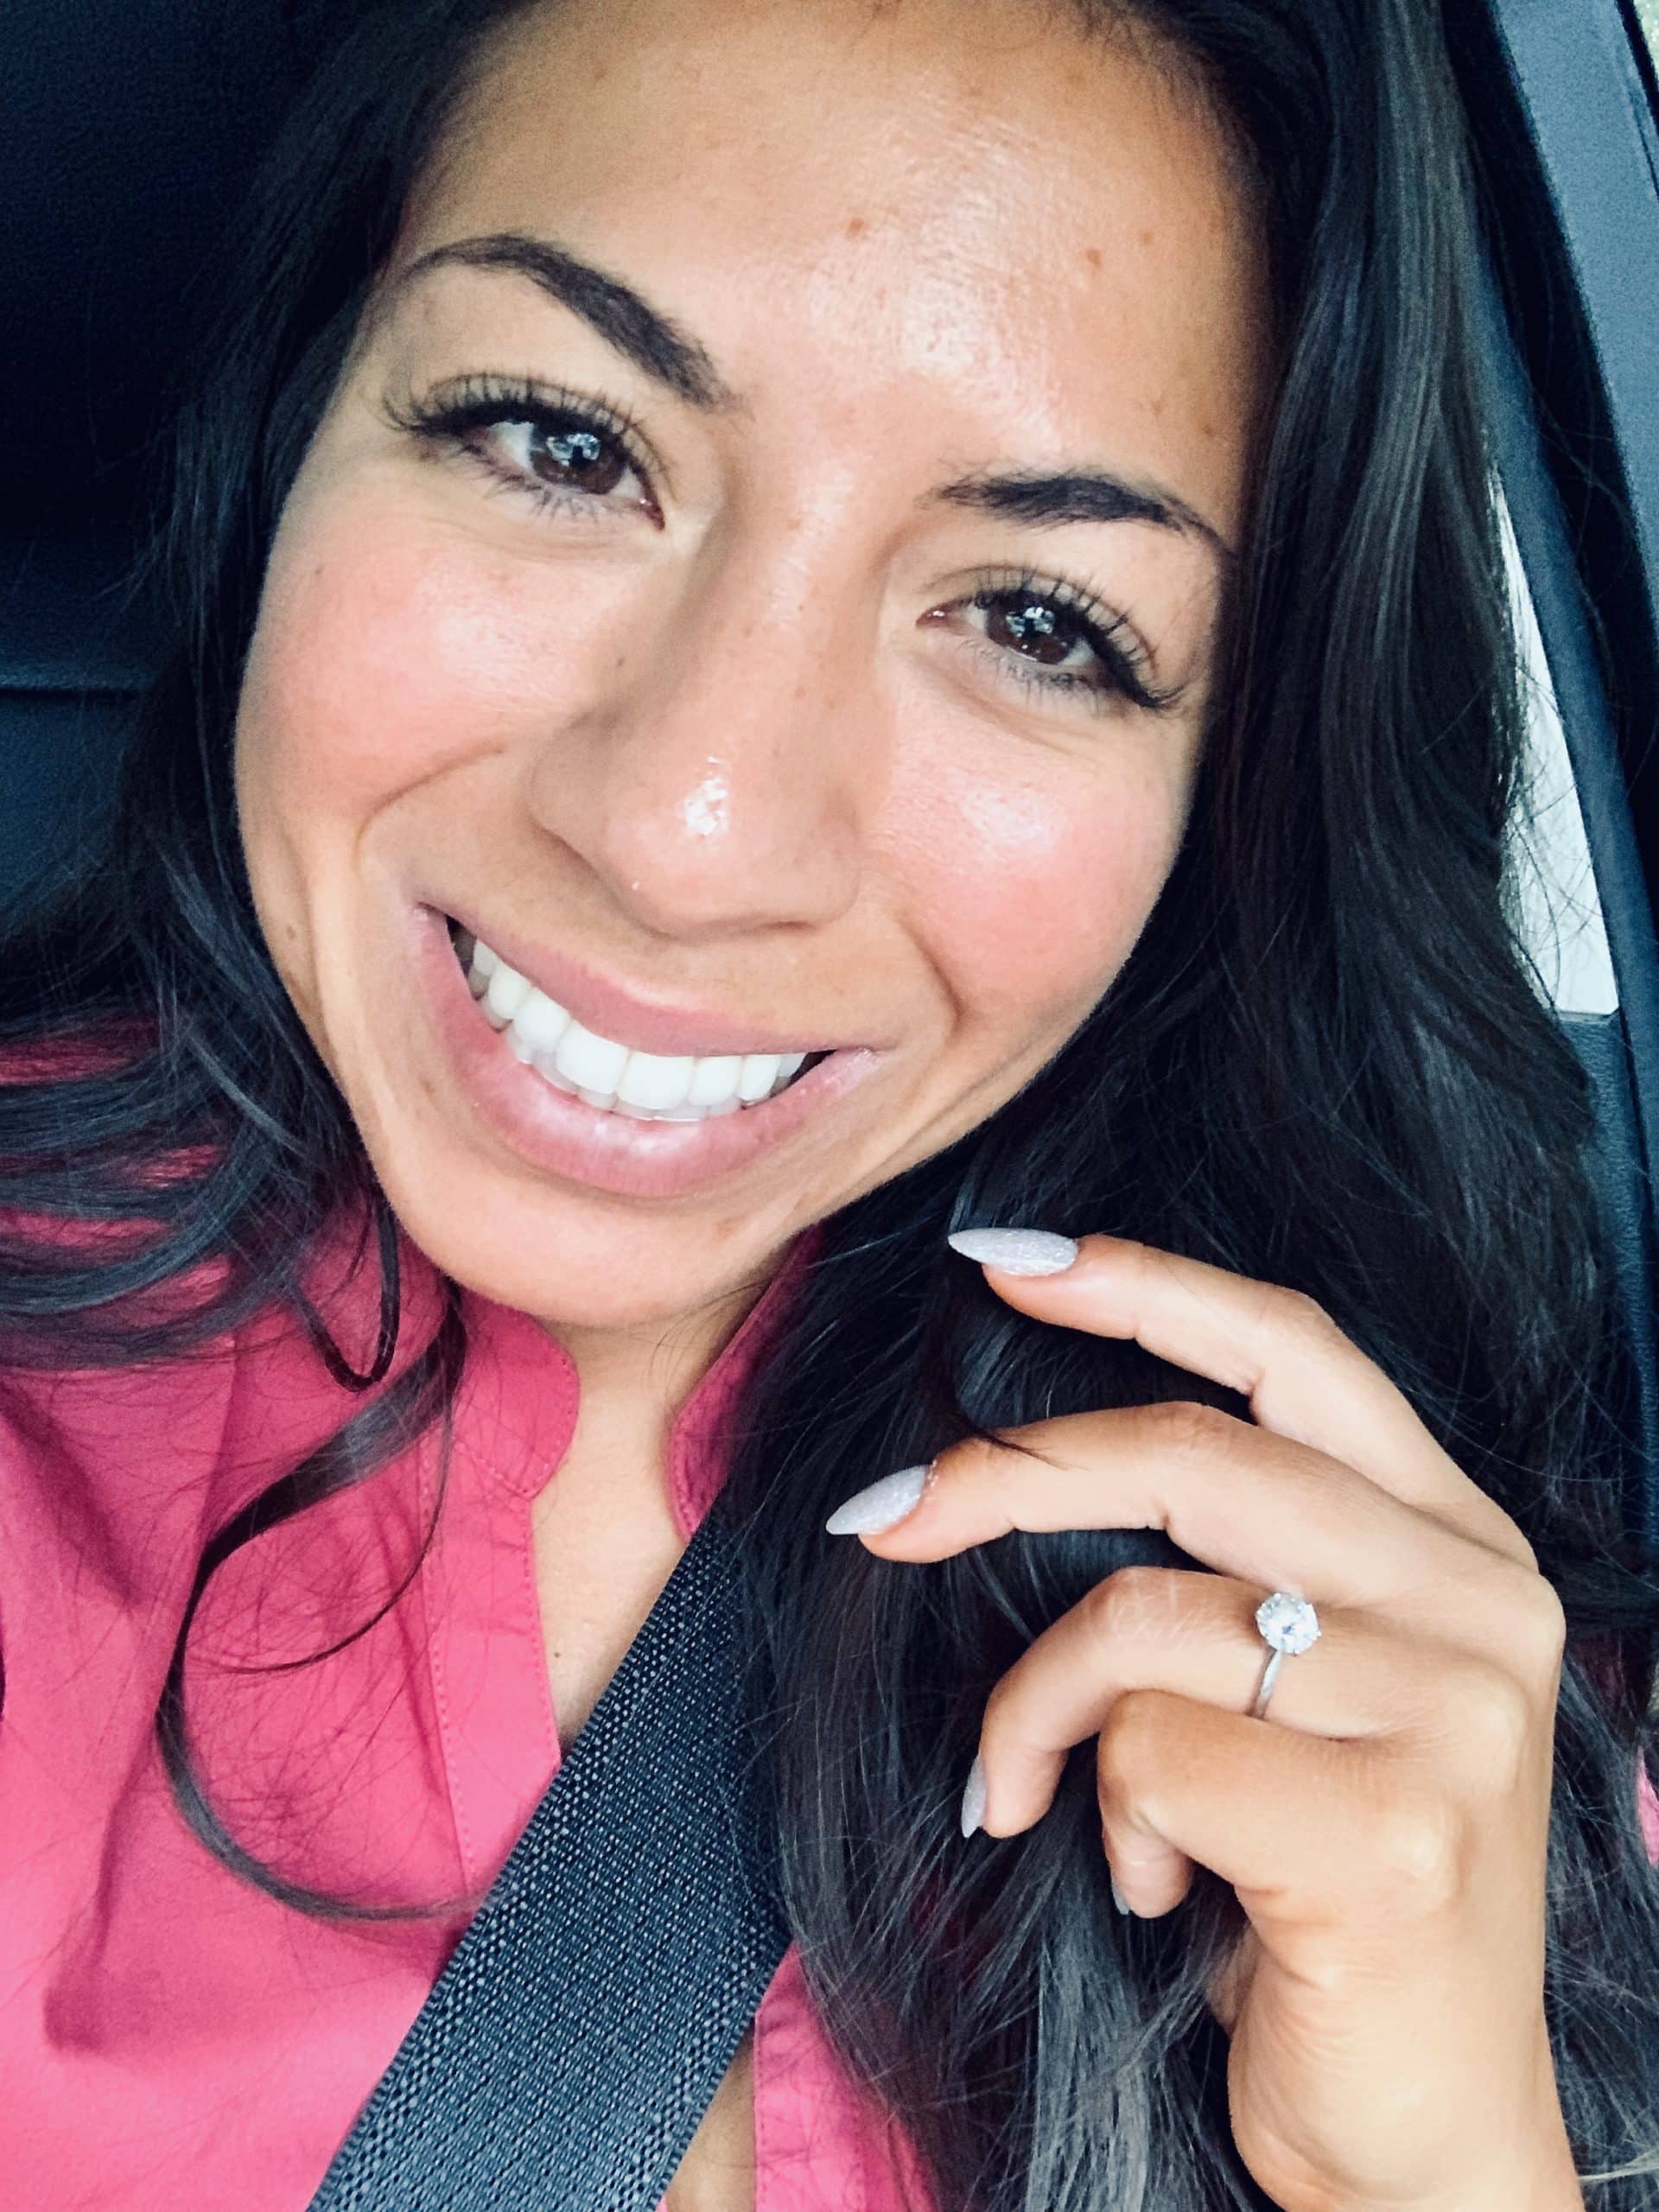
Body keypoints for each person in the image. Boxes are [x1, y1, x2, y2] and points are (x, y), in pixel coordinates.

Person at [2, 0, 1656, 2205]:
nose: (689, 833)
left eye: (1040, 621)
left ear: (1235, 780)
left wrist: (1449, 2168)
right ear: (301, 423)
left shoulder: (1435, 1679)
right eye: (560, 441)